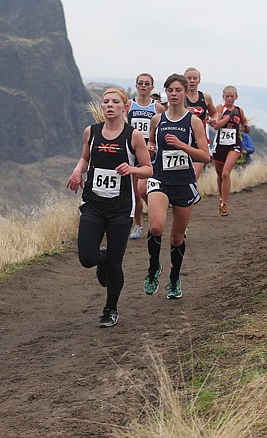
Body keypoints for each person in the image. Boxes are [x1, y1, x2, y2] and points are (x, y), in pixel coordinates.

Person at [66, 88, 153, 328]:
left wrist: (132, 170)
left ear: (125, 107)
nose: (110, 105)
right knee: (87, 258)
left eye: (115, 102)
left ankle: (110, 308)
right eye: (106, 102)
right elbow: (85, 159)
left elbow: (148, 168)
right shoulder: (91, 132)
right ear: (102, 107)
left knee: (116, 264)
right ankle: (100, 257)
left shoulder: (132, 136)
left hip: (120, 208)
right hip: (93, 203)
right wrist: (77, 171)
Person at [144, 74, 210, 299]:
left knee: (176, 238)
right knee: (155, 227)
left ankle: (174, 278)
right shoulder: (157, 120)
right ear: (166, 92)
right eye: (170, 90)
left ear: (184, 93)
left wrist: (182, 145)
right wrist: (151, 148)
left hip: (183, 183)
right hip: (160, 179)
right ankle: (153, 270)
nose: (174, 94)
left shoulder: (193, 121)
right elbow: (151, 143)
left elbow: (205, 156)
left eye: (178, 90)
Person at [127, 73, 164, 240]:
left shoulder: (158, 108)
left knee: (143, 190)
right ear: (136, 85)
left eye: (146, 83)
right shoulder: (129, 105)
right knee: (135, 192)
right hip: (132, 153)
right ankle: (138, 225)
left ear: (151, 87)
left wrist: (154, 145)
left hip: (150, 155)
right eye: (140, 83)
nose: (143, 86)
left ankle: (156, 214)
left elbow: (162, 131)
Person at [211, 86, 247, 216]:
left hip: (234, 145)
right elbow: (216, 126)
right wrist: (228, 117)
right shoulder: (220, 108)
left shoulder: (239, 110)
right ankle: (221, 198)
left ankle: (224, 204)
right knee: (220, 175)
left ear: (236, 97)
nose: (230, 99)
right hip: (220, 146)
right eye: (227, 96)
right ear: (223, 97)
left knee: (226, 173)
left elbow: (243, 124)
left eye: (232, 96)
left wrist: (246, 127)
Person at [184, 67, 218, 180]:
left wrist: (214, 120)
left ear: (199, 80)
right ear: (184, 80)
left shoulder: (205, 97)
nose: (192, 81)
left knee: (193, 179)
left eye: (195, 78)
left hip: (200, 141)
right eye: (189, 78)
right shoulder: (180, 97)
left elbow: (214, 113)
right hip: (183, 139)